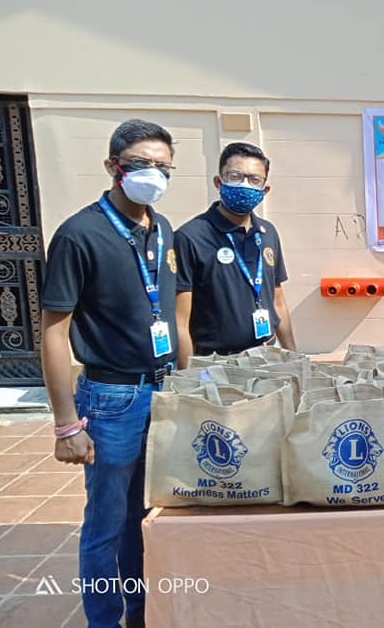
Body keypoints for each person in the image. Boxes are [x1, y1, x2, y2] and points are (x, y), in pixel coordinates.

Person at [41, 119, 178, 628]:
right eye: (141, 164)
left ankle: (141, 613)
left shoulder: (161, 229)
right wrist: (66, 424)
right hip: (111, 399)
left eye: (163, 167)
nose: (153, 175)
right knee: (107, 522)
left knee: (143, 519)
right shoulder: (80, 234)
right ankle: (103, 619)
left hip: (162, 392)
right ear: (113, 166)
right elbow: (53, 331)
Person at [174, 142, 296, 366]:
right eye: (236, 176)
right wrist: (187, 374)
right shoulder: (190, 237)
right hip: (217, 363)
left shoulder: (268, 233)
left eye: (254, 179)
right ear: (218, 182)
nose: (245, 184)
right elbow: (179, 320)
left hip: (267, 358)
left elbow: (278, 301)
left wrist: (293, 357)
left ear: (265, 189)